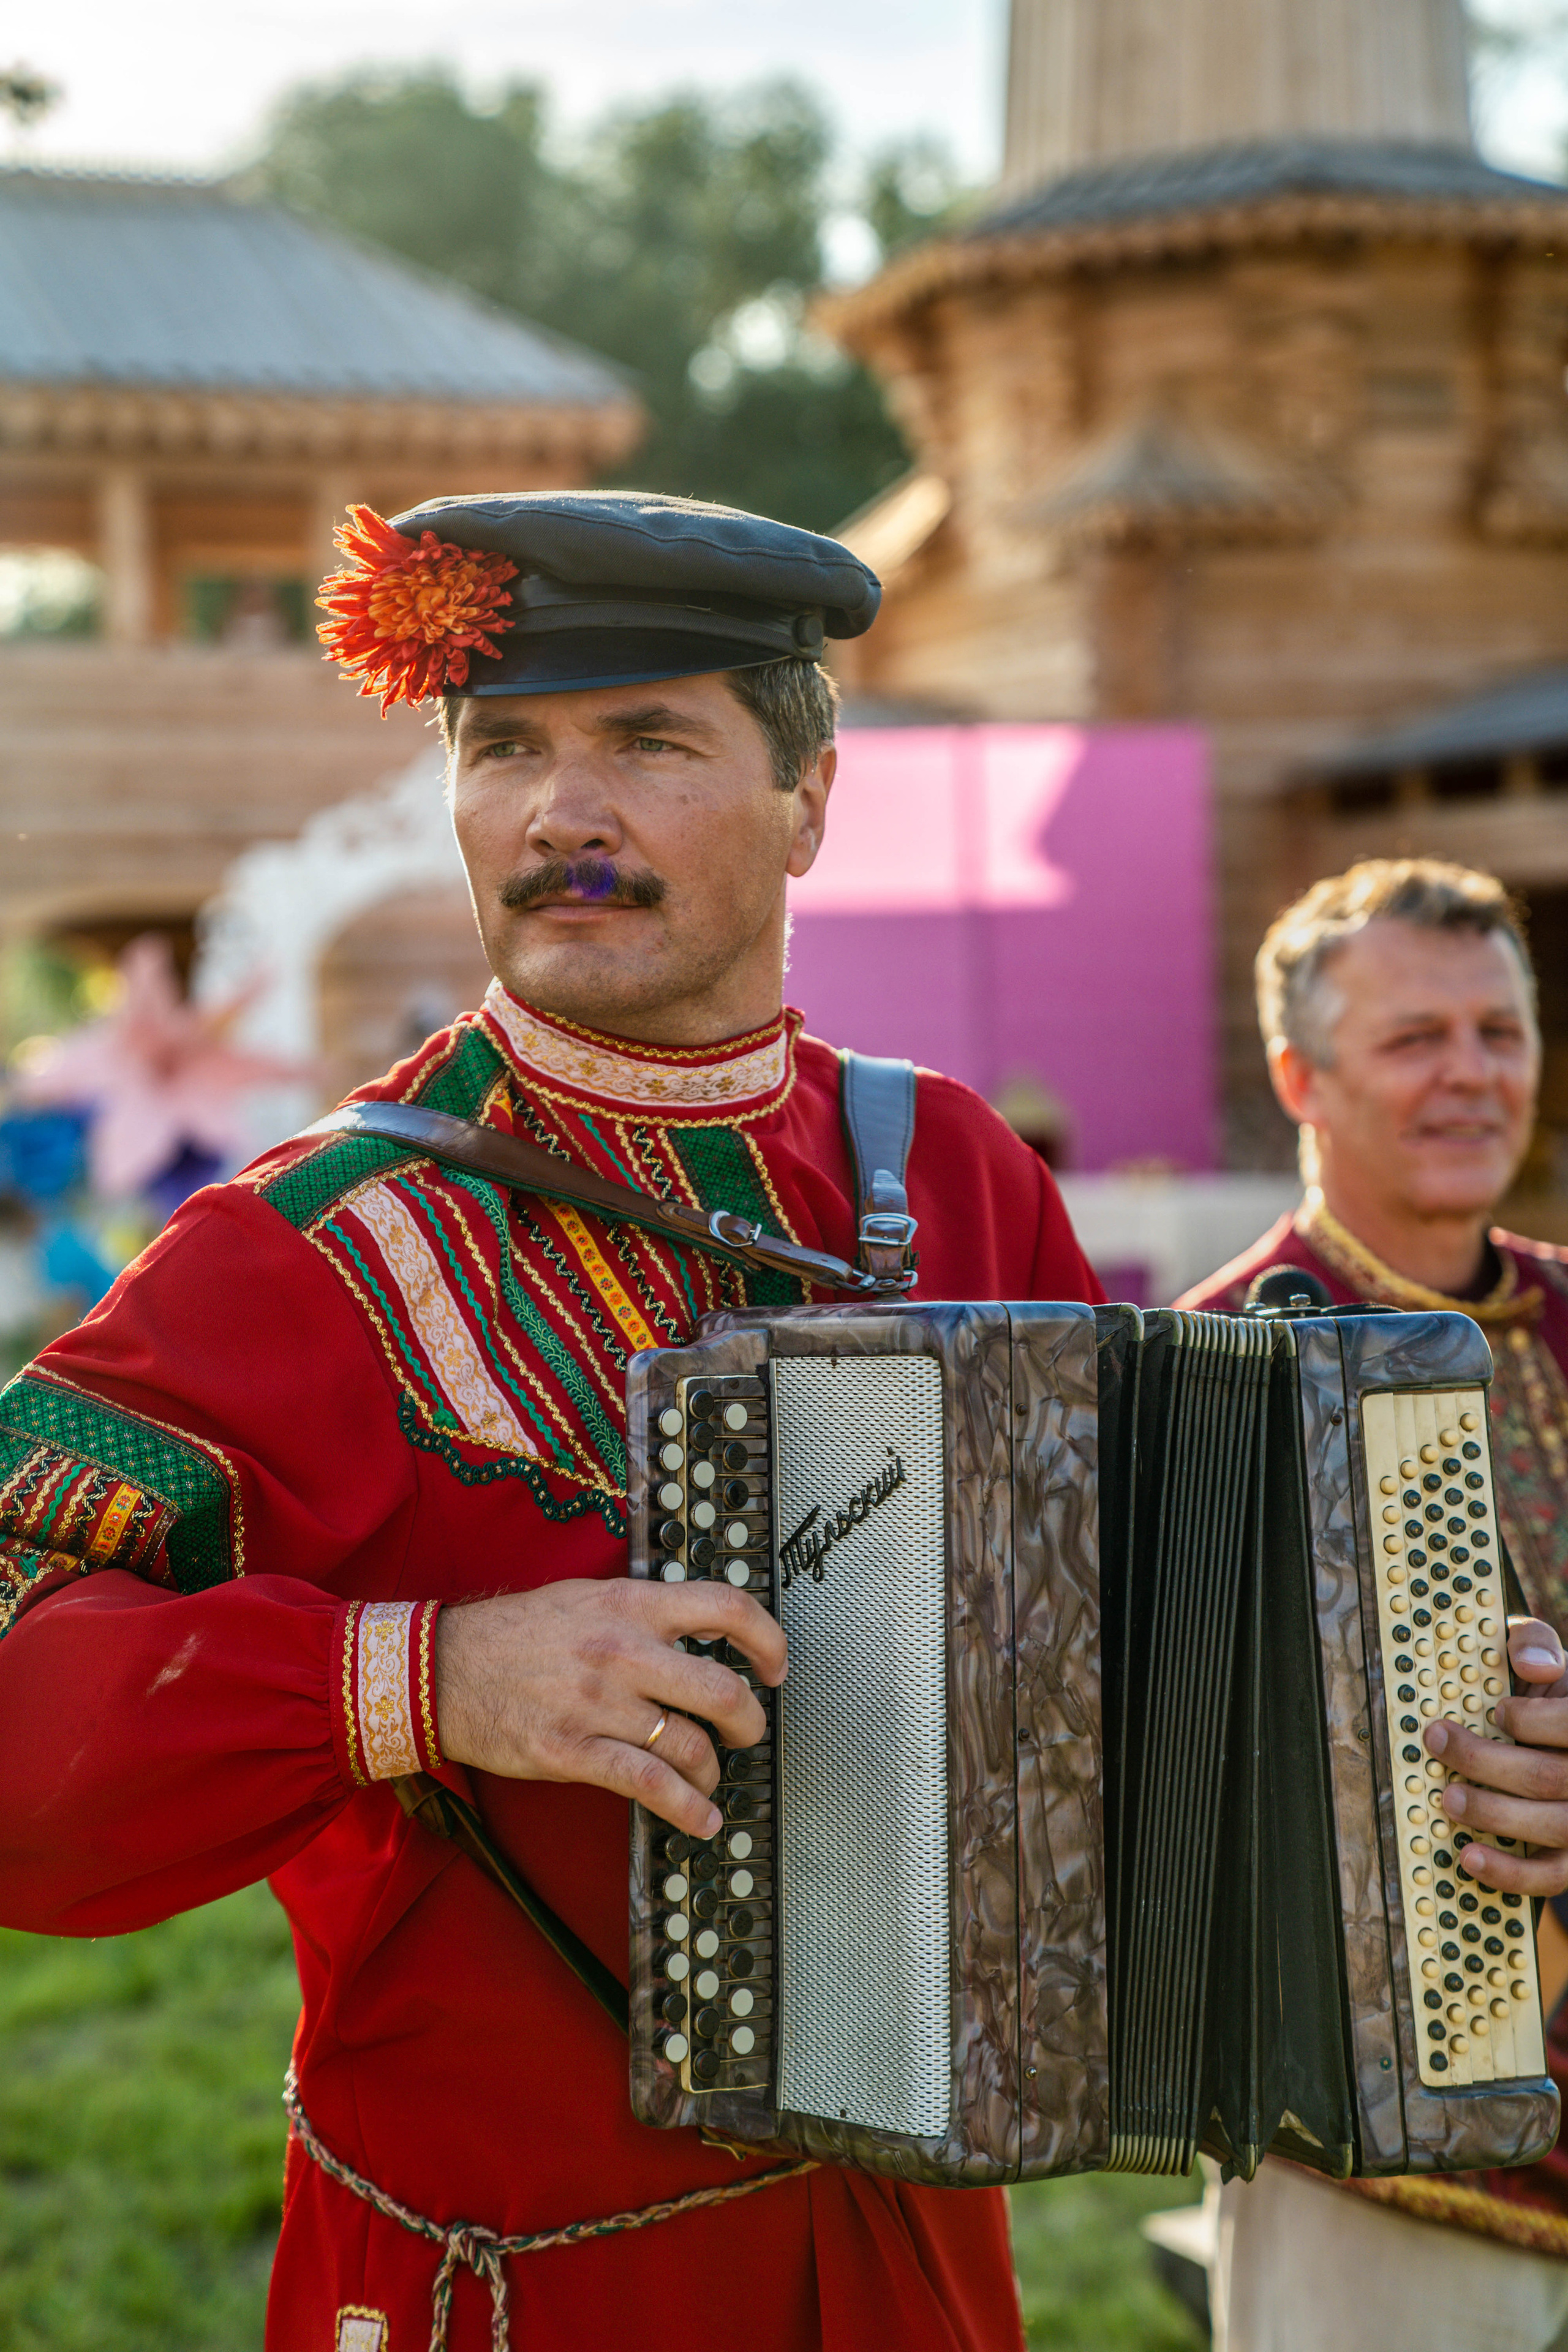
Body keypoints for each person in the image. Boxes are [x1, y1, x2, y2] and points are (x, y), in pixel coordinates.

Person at [0, 492, 1104, 2352]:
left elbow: (1136, 1615)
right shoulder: (299, 1249)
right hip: (507, 2295)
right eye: (505, 748)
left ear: (807, 802)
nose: (556, 815)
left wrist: (1418, 1746)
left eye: (649, 743)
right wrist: (427, 1680)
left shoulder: (960, 1171)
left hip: (916, 2271)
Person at [1179, 858, 1568, 2352]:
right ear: (1300, 1075)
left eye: (1498, 1031)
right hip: (1366, 2167)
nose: (1469, 1074)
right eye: (1415, 1038)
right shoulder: (1203, 1366)